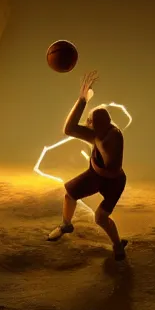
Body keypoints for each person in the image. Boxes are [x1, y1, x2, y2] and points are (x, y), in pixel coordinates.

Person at [48, 70, 129, 261]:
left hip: (114, 182)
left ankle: (117, 245)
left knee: (100, 218)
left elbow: (111, 169)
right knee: (70, 194)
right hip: (96, 175)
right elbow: (69, 128)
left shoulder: (110, 138)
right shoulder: (99, 134)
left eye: (89, 121)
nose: (86, 123)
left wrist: (96, 161)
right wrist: (82, 100)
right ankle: (66, 224)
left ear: (97, 125)